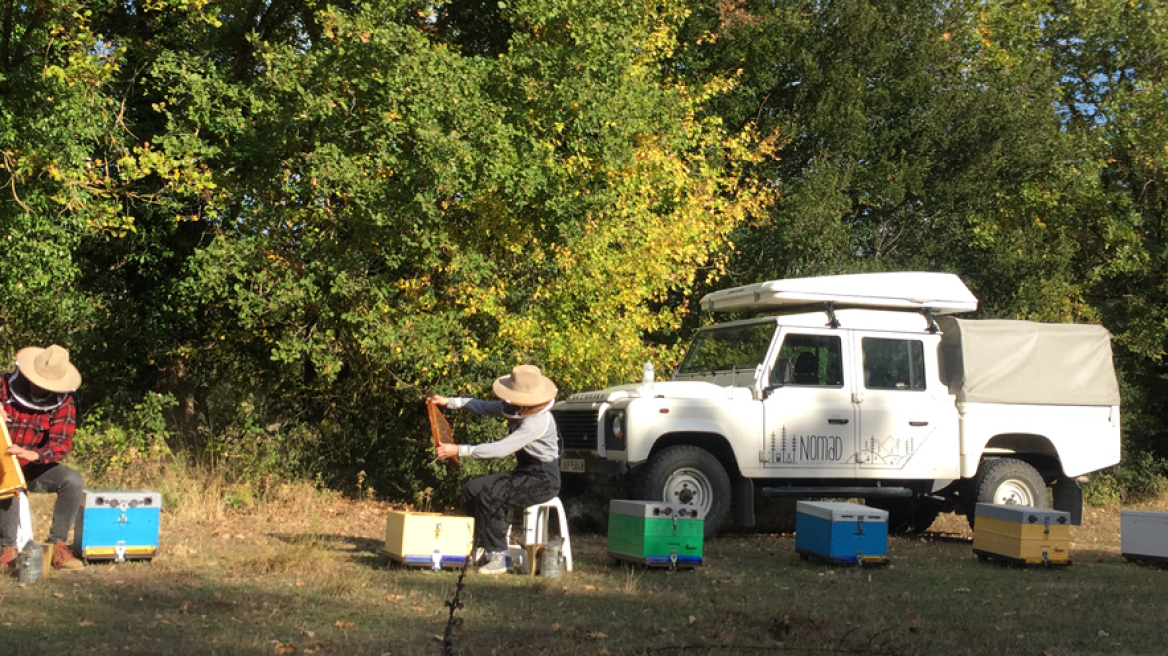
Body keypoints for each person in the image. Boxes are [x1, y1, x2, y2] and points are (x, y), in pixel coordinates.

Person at [428, 364, 560, 575]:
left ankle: (500, 555)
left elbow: (501, 449)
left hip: (543, 479)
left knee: (492, 495)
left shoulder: (537, 421)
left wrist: (459, 450)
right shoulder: (515, 406)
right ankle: (481, 547)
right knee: (473, 488)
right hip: (525, 472)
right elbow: (484, 406)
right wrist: (450, 402)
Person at [0, 345, 85, 570]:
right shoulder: (3, 385)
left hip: (34, 463)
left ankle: (56, 545)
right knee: (8, 481)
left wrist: (35, 454)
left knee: (72, 481)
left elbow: (62, 444)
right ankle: (7, 549)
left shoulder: (63, 402)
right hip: (2, 463)